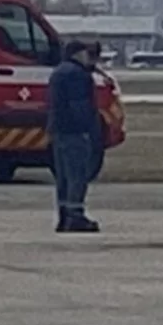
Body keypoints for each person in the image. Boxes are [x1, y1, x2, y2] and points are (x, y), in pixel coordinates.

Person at [48, 38, 104, 233]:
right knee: (77, 176)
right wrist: (89, 129)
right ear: (78, 54)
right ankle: (76, 216)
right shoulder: (77, 75)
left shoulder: (58, 72)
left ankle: (64, 216)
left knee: (63, 177)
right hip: (75, 131)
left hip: (59, 131)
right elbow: (79, 105)